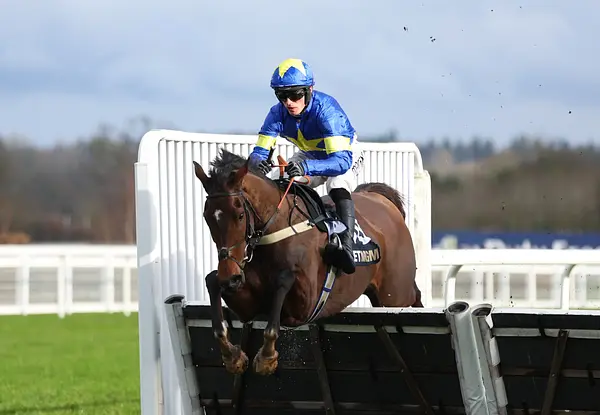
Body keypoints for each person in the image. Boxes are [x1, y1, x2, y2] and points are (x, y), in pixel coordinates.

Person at [248, 58, 365, 275]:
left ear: (310, 90)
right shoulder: (276, 113)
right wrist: (258, 164)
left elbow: (340, 162)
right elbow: (258, 153)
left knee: (337, 184)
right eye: (282, 96)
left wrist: (305, 168)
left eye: (295, 95)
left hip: (344, 154)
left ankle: (347, 247)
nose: (288, 102)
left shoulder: (327, 110)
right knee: (279, 182)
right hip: (310, 153)